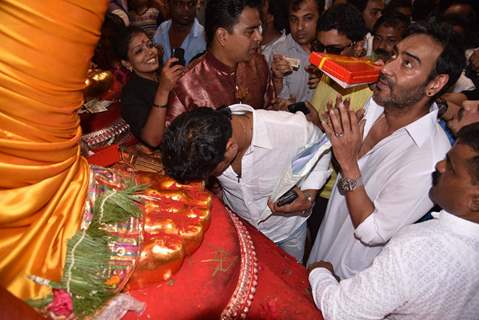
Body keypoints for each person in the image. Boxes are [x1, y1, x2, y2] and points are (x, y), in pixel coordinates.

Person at [307, 21, 466, 279]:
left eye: (408, 63)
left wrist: (348, 163)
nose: (386, 67)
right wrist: (311, 189)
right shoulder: (378, 103)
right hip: (322, 246)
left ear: (435, 84)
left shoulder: (430, 158)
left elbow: (374, 232)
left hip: (348, 280)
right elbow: (340, 154)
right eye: (395, 55)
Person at [308, 123, 479, 320]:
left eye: (451, 167)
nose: (440, 166)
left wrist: (320, 272)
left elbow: (342, 311)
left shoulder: (418, 246)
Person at [160, 105, 331, 262]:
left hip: (286, 230)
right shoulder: (209, 138)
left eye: (211, 173)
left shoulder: (291, 130)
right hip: (242, 228)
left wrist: (309, 194)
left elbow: (321, 150)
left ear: (230, 148)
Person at [166, 0, 276, 123]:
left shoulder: (258, 64)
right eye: (250, 32)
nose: (259, 37)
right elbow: (175, 138)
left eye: (259, 28)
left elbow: (269, 111)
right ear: (222, 36)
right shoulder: (187, 85)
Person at [118, 26, 184, 147]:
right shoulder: (130, 94)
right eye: (139, 51)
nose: (150, 52)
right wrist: (163, 91)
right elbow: (153, 139)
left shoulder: (163, 73)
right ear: (127, 63)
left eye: (149, 45)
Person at [270, 0, 324, 103]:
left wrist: (326, 82)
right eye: (294, 19)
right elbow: (281, 104)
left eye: (308, 18)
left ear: (321, 17)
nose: (299, 27)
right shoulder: (279, 52)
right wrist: (277, 80)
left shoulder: (332, 48)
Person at [153, 0, 206, 65]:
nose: (186, 9)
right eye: (179, 3)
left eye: (191, 4)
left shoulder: (205, 38)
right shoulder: (161, 29)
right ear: (167, 5)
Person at [260, 0, 289, 64]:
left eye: (262, 5)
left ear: (270, 18)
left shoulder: (282, 52)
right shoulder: (253, 38)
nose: (257, 8)